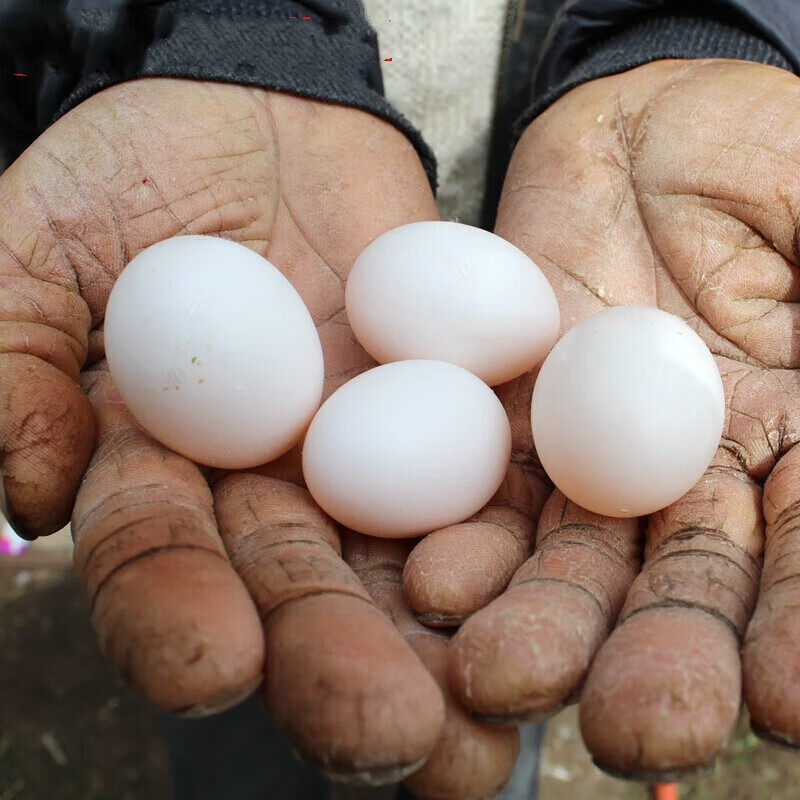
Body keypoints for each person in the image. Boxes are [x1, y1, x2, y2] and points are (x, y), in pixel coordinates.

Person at [1, 1, 800, 798]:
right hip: (281, 144)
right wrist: (237, 33)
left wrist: (686, 30)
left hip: (551, 179)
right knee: (255, 668)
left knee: (491, 654)